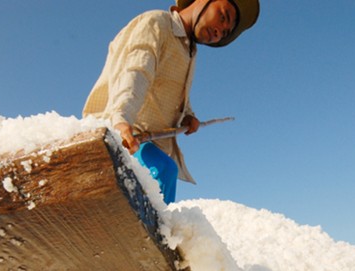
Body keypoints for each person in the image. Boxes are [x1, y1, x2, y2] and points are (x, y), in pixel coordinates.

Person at [83, 0, 259, 203]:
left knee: (163, 184)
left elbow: (176, 92)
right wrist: (122, 119)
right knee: (164, 170)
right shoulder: (157, 23)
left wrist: (188, 115)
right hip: (124, 134)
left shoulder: (189, 52)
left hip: (150, 142)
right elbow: (136, 73)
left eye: (225, 32)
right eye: (223, 17)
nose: (220, 31)